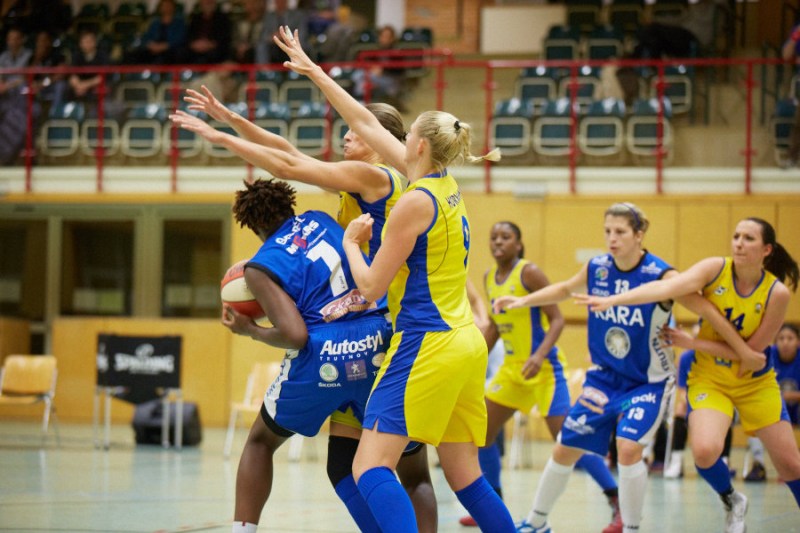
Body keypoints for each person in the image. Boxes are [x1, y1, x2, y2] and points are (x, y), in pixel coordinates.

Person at [274, 25, 516, 533]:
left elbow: (370, 289)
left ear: (419, 146)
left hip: (427, 340)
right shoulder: (445, 183)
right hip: (466, 341)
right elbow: (363, 118)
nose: (399, 139)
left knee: (369, 467)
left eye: (406, 136)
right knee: (466, 476)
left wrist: (351, 244)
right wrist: (314, 70)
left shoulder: (413, 202)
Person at [171, 89, 438, 532]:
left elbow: (288, 166)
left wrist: (220, 138)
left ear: (381, 138)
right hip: (376, 327)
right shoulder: (344, 199)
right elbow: (289, 152)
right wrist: (231, 118)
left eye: (355, 131)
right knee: (361, 466)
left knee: (400, 469)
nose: (345, 137)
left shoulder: (375, 177)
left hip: (392, 322)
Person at [494, 202, 757, 533]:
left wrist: (741, 349)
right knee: (564, 447)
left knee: (629, 449)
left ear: (639, 234)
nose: (612, 238)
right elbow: (564, 289)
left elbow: (705, 308)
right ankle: (537, 522)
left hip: (648, 383)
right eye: (607, 231)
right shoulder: (598, 268)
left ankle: (631, 528)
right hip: (604, 379)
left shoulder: (661, 274)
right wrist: (523, 300)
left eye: (620, 232)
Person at [576, 217, 800, 532]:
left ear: (766, 250)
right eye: (736, 236)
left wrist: (693, 343)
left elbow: (750, 357)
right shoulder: (714, 269)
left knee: (790, 465)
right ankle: (732, 499)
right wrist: (612, 300)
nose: (738, 243)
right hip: (709, 377)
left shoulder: (776, 294)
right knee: (705, 453)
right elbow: (665, 287)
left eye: (748, 238)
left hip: (755, 383)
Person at [225, 177, 419, 533]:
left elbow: (295, 335)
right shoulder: (321, 219)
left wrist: (250, 329)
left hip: (324, 355)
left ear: (252, 226)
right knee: (392, 466)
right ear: (289, 204)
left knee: (260, 442)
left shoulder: (260, 266)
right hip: (377, 338)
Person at [458, 221, 623, 533]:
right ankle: (492, 504)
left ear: (519, 244)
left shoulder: (529, 273)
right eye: (493, 237)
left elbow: (557, 319)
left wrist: (538, 355)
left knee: (569, 440)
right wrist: (473, 358)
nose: (498, 242)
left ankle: (616, 500)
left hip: (545, 368)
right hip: (513, 370)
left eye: (505, 237)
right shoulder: (489, 278)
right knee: (481, 432)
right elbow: (495, 326)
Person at [744, 323, 800, 482]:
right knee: (754, 412)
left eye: (790, 338)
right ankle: (759, 465)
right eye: (781, 338)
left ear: (798, 342)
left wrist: (790, 396)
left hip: (796, 408)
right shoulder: (768, 355)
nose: (785, 342)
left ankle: (794, 469)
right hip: (773, 408)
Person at [126, 0, 187, 65]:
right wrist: (150, 45)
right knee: (133, 53)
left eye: (168, 5)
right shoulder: (155, 22)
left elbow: (180, 38)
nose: (166, 7)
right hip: (154, 47)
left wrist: (164, 46)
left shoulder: (179, 22)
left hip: (171, 49)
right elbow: (146, 37)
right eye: (164, 5)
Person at [782, 23, 800, 168]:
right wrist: (795, 36)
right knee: (798, 122)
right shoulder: (797, 29)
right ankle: (792, 158)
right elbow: (786, 55)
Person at [232, 0, 266, 64]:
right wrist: (239, 46)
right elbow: (235, 38)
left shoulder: (264, 22)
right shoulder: (240, 22)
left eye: (254, 3)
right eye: (249, 4)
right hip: (240, 49)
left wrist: (248, 46)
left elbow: (262, 39)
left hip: (254, 50)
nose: (252, 6)